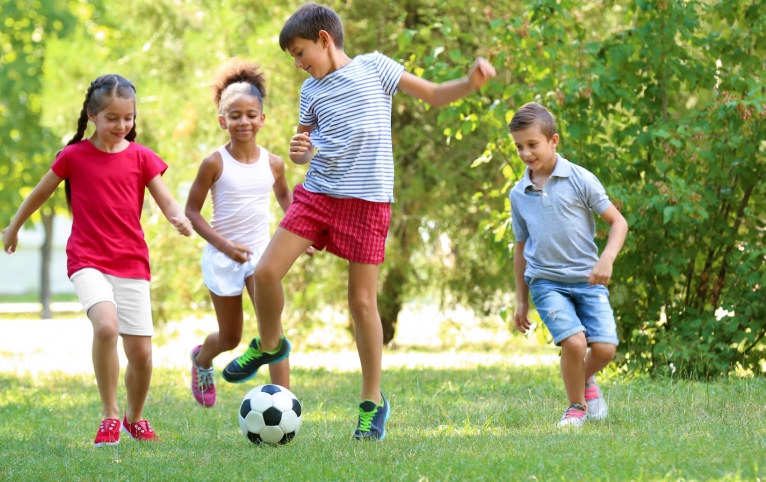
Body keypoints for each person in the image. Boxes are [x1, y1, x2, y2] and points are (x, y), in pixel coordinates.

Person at [220, 2, 497, 441]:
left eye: (299, 52)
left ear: (324, 40)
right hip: (317, 195)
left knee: (362, 304)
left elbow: (433, 94)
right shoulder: (310, 91)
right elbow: (307, 145)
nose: (297, 64)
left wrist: (470, 82)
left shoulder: (375, 68)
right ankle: (268, 345)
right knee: (267, 272)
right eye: (292, 57)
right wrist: (300, 153)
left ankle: (372, 403)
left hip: (368, 203)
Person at [2, 74, 193, 446]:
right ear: (92, 115)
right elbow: (39, 193)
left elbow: (165, 198)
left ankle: (133, 418)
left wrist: (177, 217)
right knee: (106, 327)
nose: (121, 126)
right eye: (112, 119)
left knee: (141, 354)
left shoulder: (141, 157)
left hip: (131, 261)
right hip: (87, 258)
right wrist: (14, 227)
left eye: (128, 118)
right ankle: (108, 415)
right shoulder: (73, 156)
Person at [184, 59, 307, 407]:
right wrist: (224, 246)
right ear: (223, 120)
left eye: (251, 114)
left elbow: (285, 196)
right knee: (231, 338)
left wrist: (301, 232)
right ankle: (202, 359)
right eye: (235, 115)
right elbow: (192, 212)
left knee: (273, 332)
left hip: (261, 257)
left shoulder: (274, 163)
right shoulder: (214, 163)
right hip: (223, 257)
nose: (244, 122)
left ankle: (284, 403)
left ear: (262, 118)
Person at [508, 102, 628, 427]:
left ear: (554, 140)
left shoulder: (580, 179)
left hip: (588, 278)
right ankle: (576, 407)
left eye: (532, 144)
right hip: (545, 281)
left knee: (604, 349)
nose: (525, 152)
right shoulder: (518, 194)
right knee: (574, 343)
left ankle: (584, 380)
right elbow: (521, 248)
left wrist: (607, 259)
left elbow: (618, 223)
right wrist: (521, 299)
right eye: (519, 146)